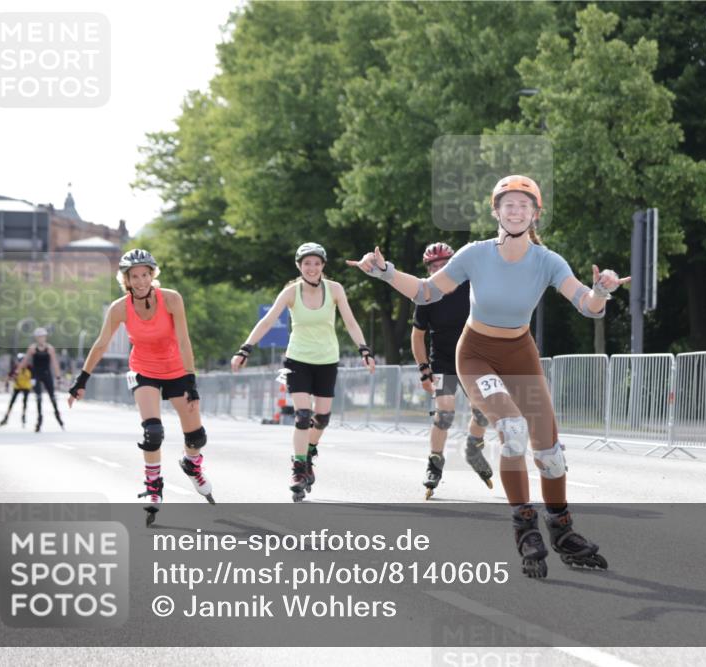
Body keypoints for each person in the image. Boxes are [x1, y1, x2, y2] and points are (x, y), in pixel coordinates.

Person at [349, 175, 629, 578]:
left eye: (523, 205)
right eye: (508, 204)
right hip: (476, 353)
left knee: (550, 453)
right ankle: (525, 525)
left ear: (536, 214)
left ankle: (563, 530)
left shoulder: (548, 260)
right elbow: (427, 292)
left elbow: (586, 305)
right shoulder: (475, 254)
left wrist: (601, 291)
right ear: (495, 211)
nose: (515, 211)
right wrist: (386, 272)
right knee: (512, 430)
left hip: (520, 354)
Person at [67, 249, 214, 526]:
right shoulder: (119, 308)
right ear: (126, 279)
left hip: (177, 369)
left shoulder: (171, 299)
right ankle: (153, 484)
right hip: (144, 370)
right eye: (134, 276)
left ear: (152, 275)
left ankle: (192, 463)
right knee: (152, 431)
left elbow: (184, 340)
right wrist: (81, 380)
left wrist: (192, 380)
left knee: (196, 437)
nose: (141, 281)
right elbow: (101, 343)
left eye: (145, 274)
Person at [232, 242, 375, 502]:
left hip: (327, 360)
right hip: (297, 359)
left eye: (316, 263)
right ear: (299, 266)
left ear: (323, 266)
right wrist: (245, 349)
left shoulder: (335, 290)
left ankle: (309, 452)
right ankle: (298, 469)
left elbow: (351, 322)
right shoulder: (290, 293)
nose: (312, 268)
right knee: (302, 415)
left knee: (322, 418)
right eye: (307, 263)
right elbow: (267, 321)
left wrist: (364, 350)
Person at [411, 241, 493, 499]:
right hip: (443, 362)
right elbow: (417, 335)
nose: (439, 269)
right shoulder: (426, 293)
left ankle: (473, 446)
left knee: (483, 411)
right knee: (444, 413)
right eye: (434, 266)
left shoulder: (471, 286)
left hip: (473, 359)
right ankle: (435, 463)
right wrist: (424, 369)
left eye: (444, 264)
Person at [12, 327, 64, 431]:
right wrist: (17, 371)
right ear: (36, 338)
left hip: (47, 375)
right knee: (38, 398)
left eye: (43, 337)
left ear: (45, 337)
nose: (41, 339)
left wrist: (58, 376)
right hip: (36, 375)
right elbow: (25, 361)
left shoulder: (50, 348)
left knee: (52, 397)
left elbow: (54, 363)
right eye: (39, 337)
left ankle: (58, 416)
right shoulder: (32, 348)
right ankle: (39, 420)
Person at [0, 354, 32, 427]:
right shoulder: (15, 368)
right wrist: (7, 383)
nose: (21, 363)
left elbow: (34, 376)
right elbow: (9, 376)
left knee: (25, 402)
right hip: (18, 386)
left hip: (26, 386)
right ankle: (6, 417)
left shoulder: (30, 367)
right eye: (20, 361)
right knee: (12, 402)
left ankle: (23, 415)